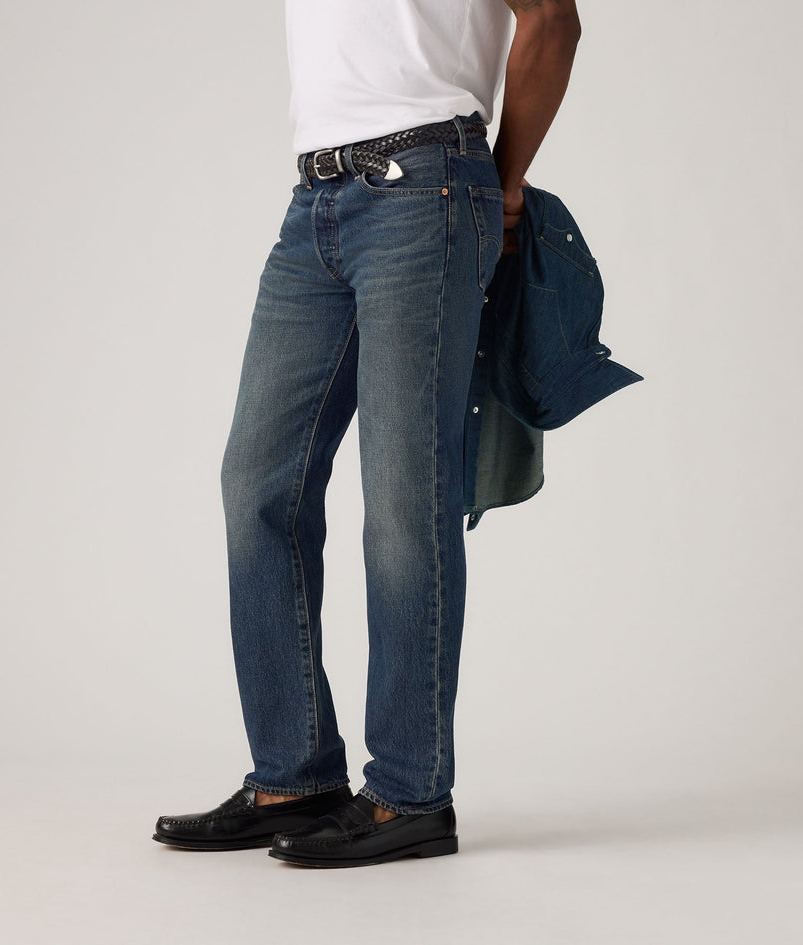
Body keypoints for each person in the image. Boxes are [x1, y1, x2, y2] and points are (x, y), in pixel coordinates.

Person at [153, 0, 581, 868]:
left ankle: (411, 792)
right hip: (315, 196)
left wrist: (502, 181)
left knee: (402, 499)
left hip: (428, 183)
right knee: (258, 483)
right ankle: (295, 774)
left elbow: (551, 19)